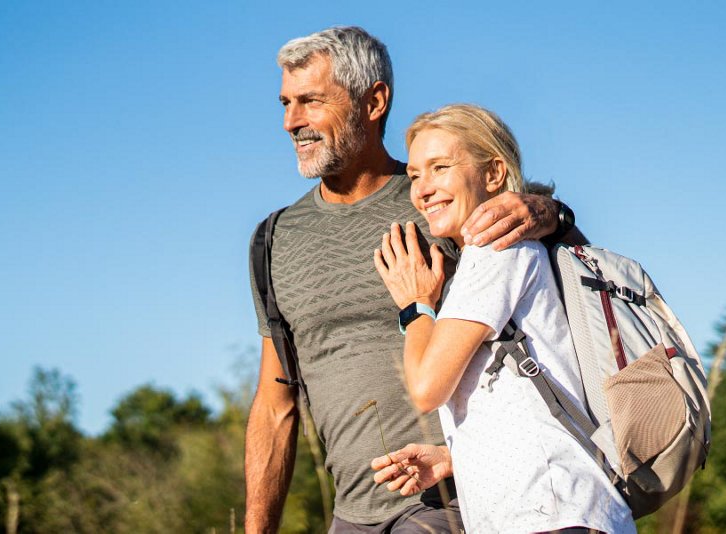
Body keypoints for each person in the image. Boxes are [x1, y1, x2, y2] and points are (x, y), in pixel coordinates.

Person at [246, 27, 573, 533]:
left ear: (374, 100)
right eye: (286, 102)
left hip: (452, 500)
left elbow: (553, 280)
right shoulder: (273, 239)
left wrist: (550, 211)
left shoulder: (440, 200)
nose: (292, 121)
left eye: (311, 101)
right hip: (351, 514)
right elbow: (275, 405)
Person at [371, 104, 635, 533]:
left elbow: (425, 388)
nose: (422, 189)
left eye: (440, 167)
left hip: (551, 516)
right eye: (416, 175)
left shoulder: (496, 248)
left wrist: (416, 304)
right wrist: (454, 458)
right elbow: (521, 399)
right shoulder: (503, 255)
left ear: (494, 174)